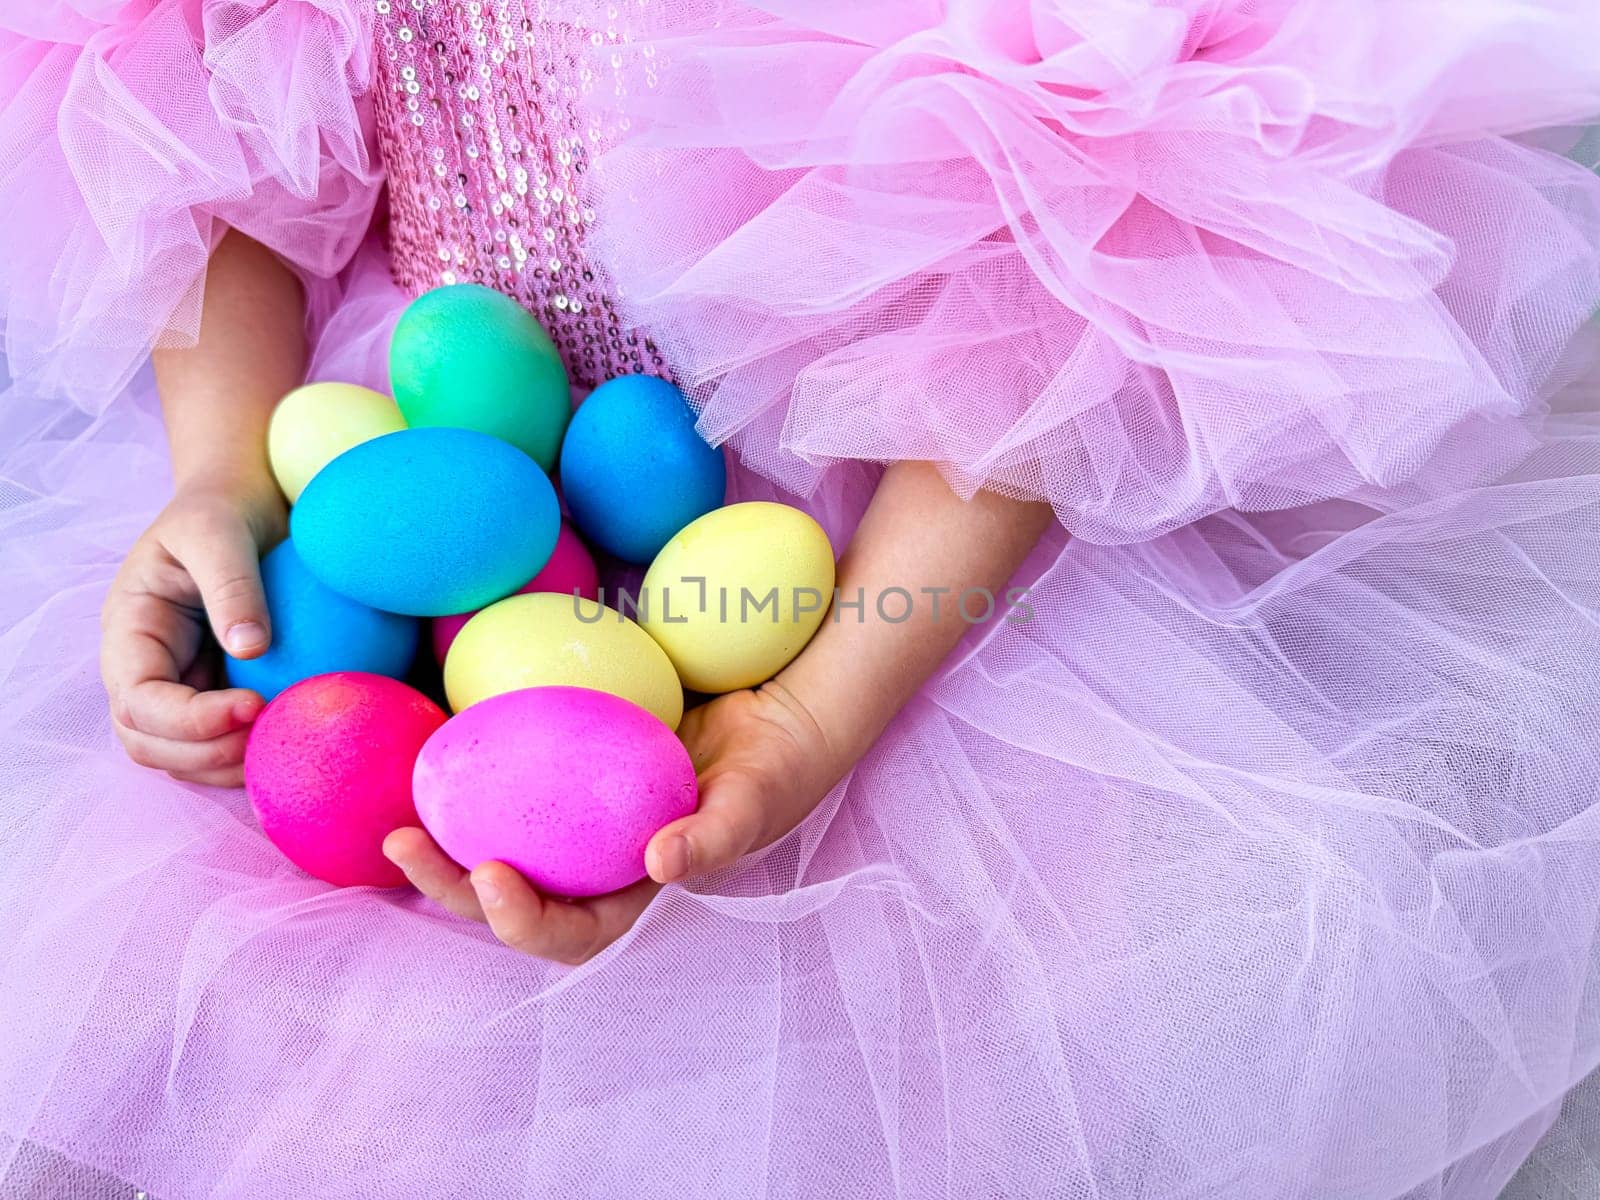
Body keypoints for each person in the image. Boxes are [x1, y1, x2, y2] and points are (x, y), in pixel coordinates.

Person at [3, 2, 1600, 1196]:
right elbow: (200, 117)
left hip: (896, 522)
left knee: (962, 1042)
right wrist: (224, 470)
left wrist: (822, 710)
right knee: (322, 1019)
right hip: (415, 452)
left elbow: (1053, 275)